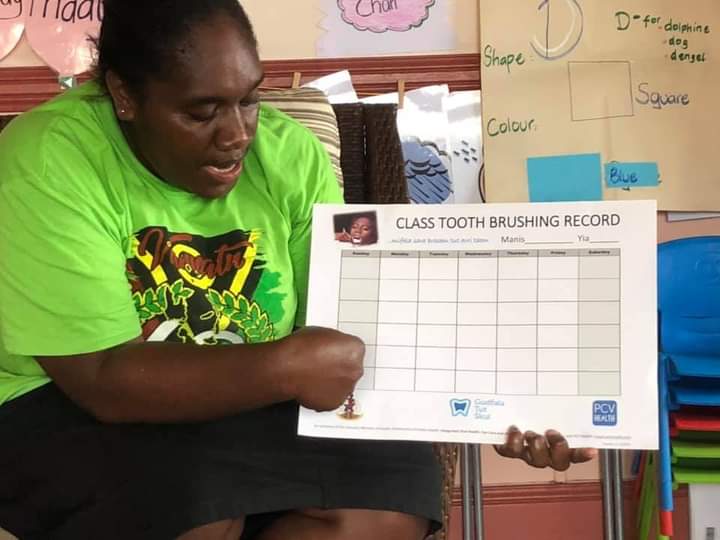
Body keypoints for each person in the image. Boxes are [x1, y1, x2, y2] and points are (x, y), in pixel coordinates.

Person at [0, 1, 596, 539]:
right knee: (195, 507)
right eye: (202, 112)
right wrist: (285, 366)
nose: (237, 135)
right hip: (62, 404)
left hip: (253, 399)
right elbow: (101, 378)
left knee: (389, 501)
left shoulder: (288, 153)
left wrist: (504, 406)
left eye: (248, 100)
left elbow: (355, 323)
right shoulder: (49, 161)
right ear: (124, 96)